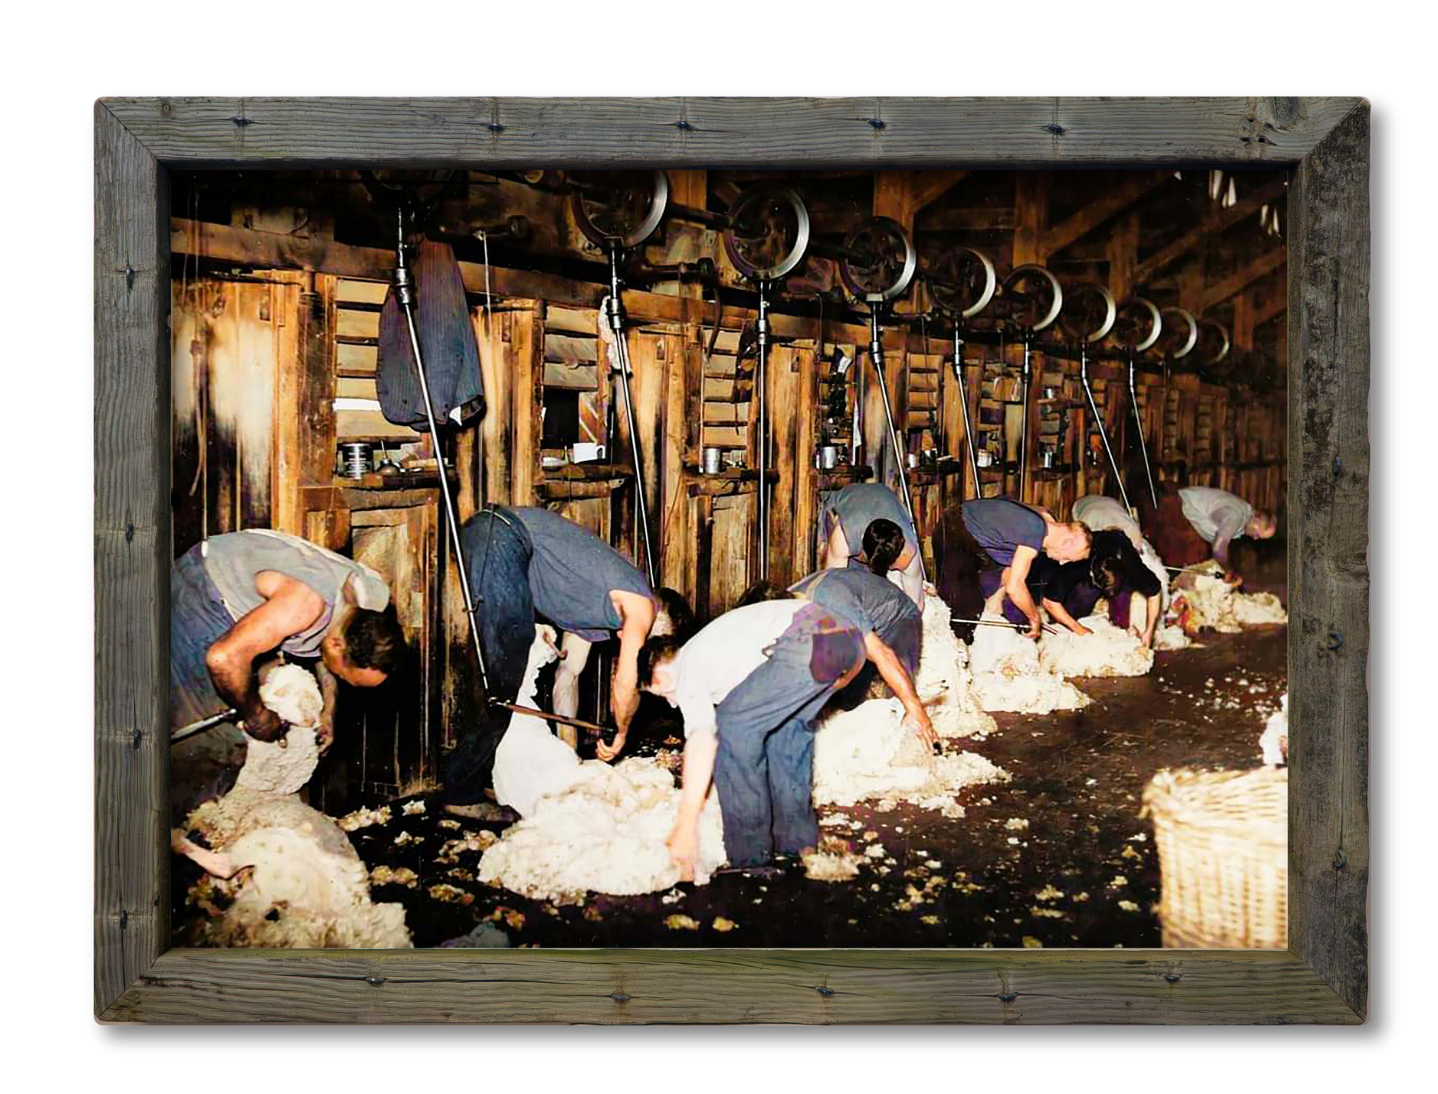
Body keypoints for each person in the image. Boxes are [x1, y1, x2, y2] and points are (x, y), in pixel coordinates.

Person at [443, 506, 687, 799]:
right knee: (502, 676)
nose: (639, 647)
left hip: (499, 538)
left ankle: (477, 780)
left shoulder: (598, 617)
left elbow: (567, 678)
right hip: (503, 535)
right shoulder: (640, 604)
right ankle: (459, 792)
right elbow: (626, 681)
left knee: (503, 675)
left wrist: (571, 760)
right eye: (649, 643)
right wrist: (621, 733)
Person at [170, 529, 406, 824]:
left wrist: (328, 711)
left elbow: (326, 652)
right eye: (346, 678)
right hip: (203, 596)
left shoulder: (369, 603)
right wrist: (257, 715)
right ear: (338, 645)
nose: (343, 680)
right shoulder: (304, 605)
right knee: (209, 748)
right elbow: (222, 659)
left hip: (236, 587)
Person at [638, 598, 871, 877]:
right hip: (846, 637)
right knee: (784, 731)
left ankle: (749, 859)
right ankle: (795, 844)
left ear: (660, 675)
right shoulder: (718, 653)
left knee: (731, 728)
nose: (671, 705)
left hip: (805, 639)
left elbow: (704, 740)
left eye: (662, 695)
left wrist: (685, 826)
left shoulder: (687, 665)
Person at [789, 545, 936, 741]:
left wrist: (917, 710)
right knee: (848, 703)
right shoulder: (789, 602)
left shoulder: (833, 603)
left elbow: (884, 655)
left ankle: (910, 745)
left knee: (895, 703)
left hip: (898, 617)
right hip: (861, 618)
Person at [932, 497, 1092, 642]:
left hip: (979, 541)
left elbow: (1009, 576)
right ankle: (951, 659)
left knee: (990, 598)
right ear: (1068, 542)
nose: (1063, 563)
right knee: (964, 610)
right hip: (956, 530)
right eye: (1068, 558)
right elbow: (1015, 587)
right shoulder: (1034, 531)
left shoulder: (1043, 523)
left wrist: (997, 600)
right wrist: (1034, 617)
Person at [996, 530, 1165, 648]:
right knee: (1078, 604)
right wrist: (1079, 629)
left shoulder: (1129, 561)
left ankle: (1121, 623)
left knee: (1124, 600)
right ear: (1091, 573)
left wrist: (1149, 631)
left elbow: (1154, 592)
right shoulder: (1074, 564)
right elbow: (1050, 602)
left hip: (1117, 541)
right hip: (1068, 565)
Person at [1138, 484, 1277, 581]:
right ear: (1257, 518)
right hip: (1177, 508)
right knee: (1182, 559)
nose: (1255, 538)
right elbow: (1219, 546)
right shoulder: (1236, 517)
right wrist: (1226, 569)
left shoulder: (1244, 515)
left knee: (1201, 562)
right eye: (1258, 534)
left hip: (1187, 515)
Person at [818, 483, 925, 609]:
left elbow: (915, 604)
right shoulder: (844, 538)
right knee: (849, 587)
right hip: (842, 506)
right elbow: (833, 589)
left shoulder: (909, 553)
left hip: (884, 499)